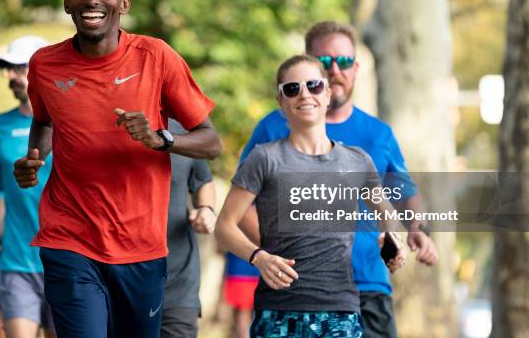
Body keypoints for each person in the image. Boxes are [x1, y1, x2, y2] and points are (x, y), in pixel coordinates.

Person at [12, 0, 221, 338]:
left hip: (140, 245)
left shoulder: (156, 56)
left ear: (123, 4)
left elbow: (211, 141)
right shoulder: (44, 64)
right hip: (69, 236)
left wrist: (161, 139)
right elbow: (43, 120)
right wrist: (34, 159)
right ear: (67, 3)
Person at [238, 21, 439, 337]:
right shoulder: (273, 129)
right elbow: (241, 205)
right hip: (296, 292)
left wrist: (416, 230)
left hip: (368, 284)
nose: (335, 69)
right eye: (325, 63)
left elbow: (402, 192)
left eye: (344, 61)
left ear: (356, 68)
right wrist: (270, 250)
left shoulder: (378, 134)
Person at [215, 54, 407, 338]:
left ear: (327, 94)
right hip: (277, 314)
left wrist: (389, 237)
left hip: (341, 313)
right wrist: (259, 257)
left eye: (314, 85)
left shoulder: (357, 161)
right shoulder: (264, 158)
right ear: (281, 102)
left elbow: (387, 213)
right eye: (292, 89)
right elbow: (224, 226)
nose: (304, 94)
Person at [0, 35, 55, 338]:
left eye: (19, 68)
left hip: (65, 258)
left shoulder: (69, 120)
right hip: (16, 259)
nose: (12, 76)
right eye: (8, 69)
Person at [161, 119, 217, 338]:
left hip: (178, 281)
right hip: (118, 277)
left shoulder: (184, 128)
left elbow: (203, 180)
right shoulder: (107, 122)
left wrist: (206, 209)